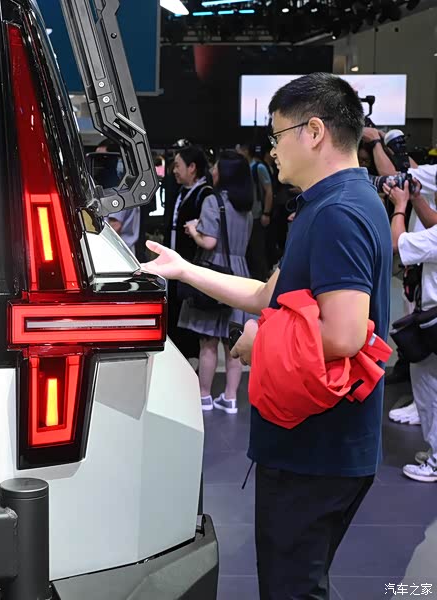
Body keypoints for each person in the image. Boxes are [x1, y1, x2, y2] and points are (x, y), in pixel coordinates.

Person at [141, 73, 392, 599]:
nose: (271, 149)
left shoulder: (338, 212)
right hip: (315, 441)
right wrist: (185, 269)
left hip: (316, 447)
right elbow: (264, 294)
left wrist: (262, 343)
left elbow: (344, 334)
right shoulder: (333, 202)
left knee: (291, 589)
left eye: (277, 135)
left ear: (314, 131)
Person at [177, 150, 254, 413]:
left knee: (208, 340)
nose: (213, 171)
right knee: (234, 343)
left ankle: (204, 396)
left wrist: (193, 230)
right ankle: (230, 398)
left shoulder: (213, 201)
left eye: (217, 168)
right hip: (239, 273)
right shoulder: (245, 206)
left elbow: (209, 241)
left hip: (216, 273)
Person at [387, 177, 437, 483]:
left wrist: (401, 205)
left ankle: (435, 461)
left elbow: (397, 243)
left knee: (429, 389)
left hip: (434, 320)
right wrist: (418, 198)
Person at [166, 146, 213, 361]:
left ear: (192, 167)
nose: (174, 170)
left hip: (192, 262)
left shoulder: (205, 194)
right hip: (177, 261)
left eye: (178, 165)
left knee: (187, 309)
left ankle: (188, 356)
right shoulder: (182, 191)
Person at [237, 142, 274, 281]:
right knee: (250, 251)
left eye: (240, 149)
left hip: (257, 214)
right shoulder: (246, 167)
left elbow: (269, 191)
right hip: (247, 215)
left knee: (257, 249)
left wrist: (266, 213)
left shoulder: (258, 167)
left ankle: (262, 279)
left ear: (246, 151)